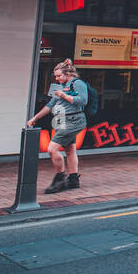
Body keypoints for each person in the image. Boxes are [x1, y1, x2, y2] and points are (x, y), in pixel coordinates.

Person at [27, 59, 90, 194]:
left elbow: (83, 100)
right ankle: (73, 179)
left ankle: (60, 179)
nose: (57, 78)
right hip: (64, 120)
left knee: (52, 149)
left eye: (59, 76)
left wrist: (64, 96)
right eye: (55, 76)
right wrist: (35, 118)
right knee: (70, 150)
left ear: (68, 73)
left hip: (74, 120)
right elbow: (50, 105)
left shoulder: (77, 83)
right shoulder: (61, 86)